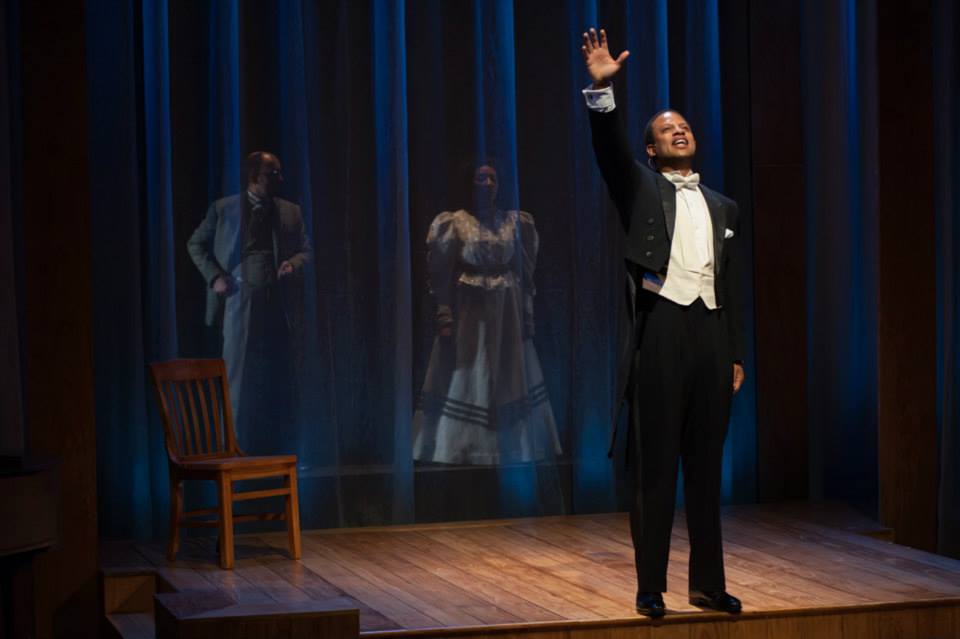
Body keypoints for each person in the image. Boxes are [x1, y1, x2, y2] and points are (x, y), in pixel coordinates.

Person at [580, 28, 746, 617]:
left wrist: (733, 352)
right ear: (651, 149)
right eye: (666, 129)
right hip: (661, 329)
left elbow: (729, 286)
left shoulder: (723, 205)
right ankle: (651, 585)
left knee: (706, 469)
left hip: (708, 335)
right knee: (654, 469)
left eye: (686, 126)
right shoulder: (642, 188)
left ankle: (707, 582)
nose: (680, 130)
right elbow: (607, 151)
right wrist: (603, 93)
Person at [412, 163, 561, 465]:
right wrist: (444, 314)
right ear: (471, 184)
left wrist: (527, 312)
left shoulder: (514, 222)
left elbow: (526, 271)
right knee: (471, 368)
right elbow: (439, 272)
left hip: (506, 306)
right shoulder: (454, 222)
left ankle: (511, 445)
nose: (488, 183)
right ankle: (460, 446)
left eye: (493, 178)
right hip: (470, 305)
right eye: (482, 178)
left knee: (507, 368)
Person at [187, 151, 312, 452]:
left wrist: (293, 264)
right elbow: (196, 244)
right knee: (236, 372)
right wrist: (215, 276)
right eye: (273, 173)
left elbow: (307, 251)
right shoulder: (224, 209)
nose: (280, 179)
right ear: (255, 176)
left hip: (276, 300)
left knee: (281, 372)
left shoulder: (290, 212)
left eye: (280, 173)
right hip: (238, 298)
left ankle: (285, 443)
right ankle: (231, 443)